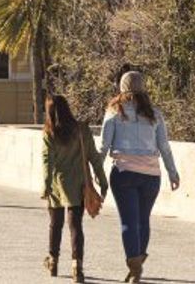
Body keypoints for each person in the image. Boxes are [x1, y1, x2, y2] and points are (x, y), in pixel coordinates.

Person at [100, 71, 180, 283]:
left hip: (124, 174)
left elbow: (103, 146)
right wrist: (173, 173)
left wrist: (96, 174)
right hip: (151, 176)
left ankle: (134, 267)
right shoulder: (154, 114)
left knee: (129, 221)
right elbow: (164, 147)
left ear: (121, 87)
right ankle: (137, 263)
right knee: (143, 220)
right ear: (143, 87)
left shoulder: (114, 112)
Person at [41, 95, 107, 283]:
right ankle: (77, 267)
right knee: (75, 225)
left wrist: (45, 186)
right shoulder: (82, 130)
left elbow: (48, 162)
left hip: (56, 184)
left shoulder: (49, 133)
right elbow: (94, 157)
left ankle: (53, 262)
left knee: (55, 224)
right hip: (78, 184)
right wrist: (103, 181)